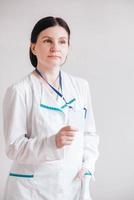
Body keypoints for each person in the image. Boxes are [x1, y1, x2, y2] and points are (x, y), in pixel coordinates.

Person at [3, 16, 99, 200]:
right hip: (30, 189)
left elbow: (89, 135)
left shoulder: (81, 87)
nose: (56, 47)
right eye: (48, 41)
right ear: (33, 47)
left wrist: (88, 166)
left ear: (68, 47)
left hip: (72, 185)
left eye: (62, 42)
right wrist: (52, 142)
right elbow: (13, 147)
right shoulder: (19, 91)